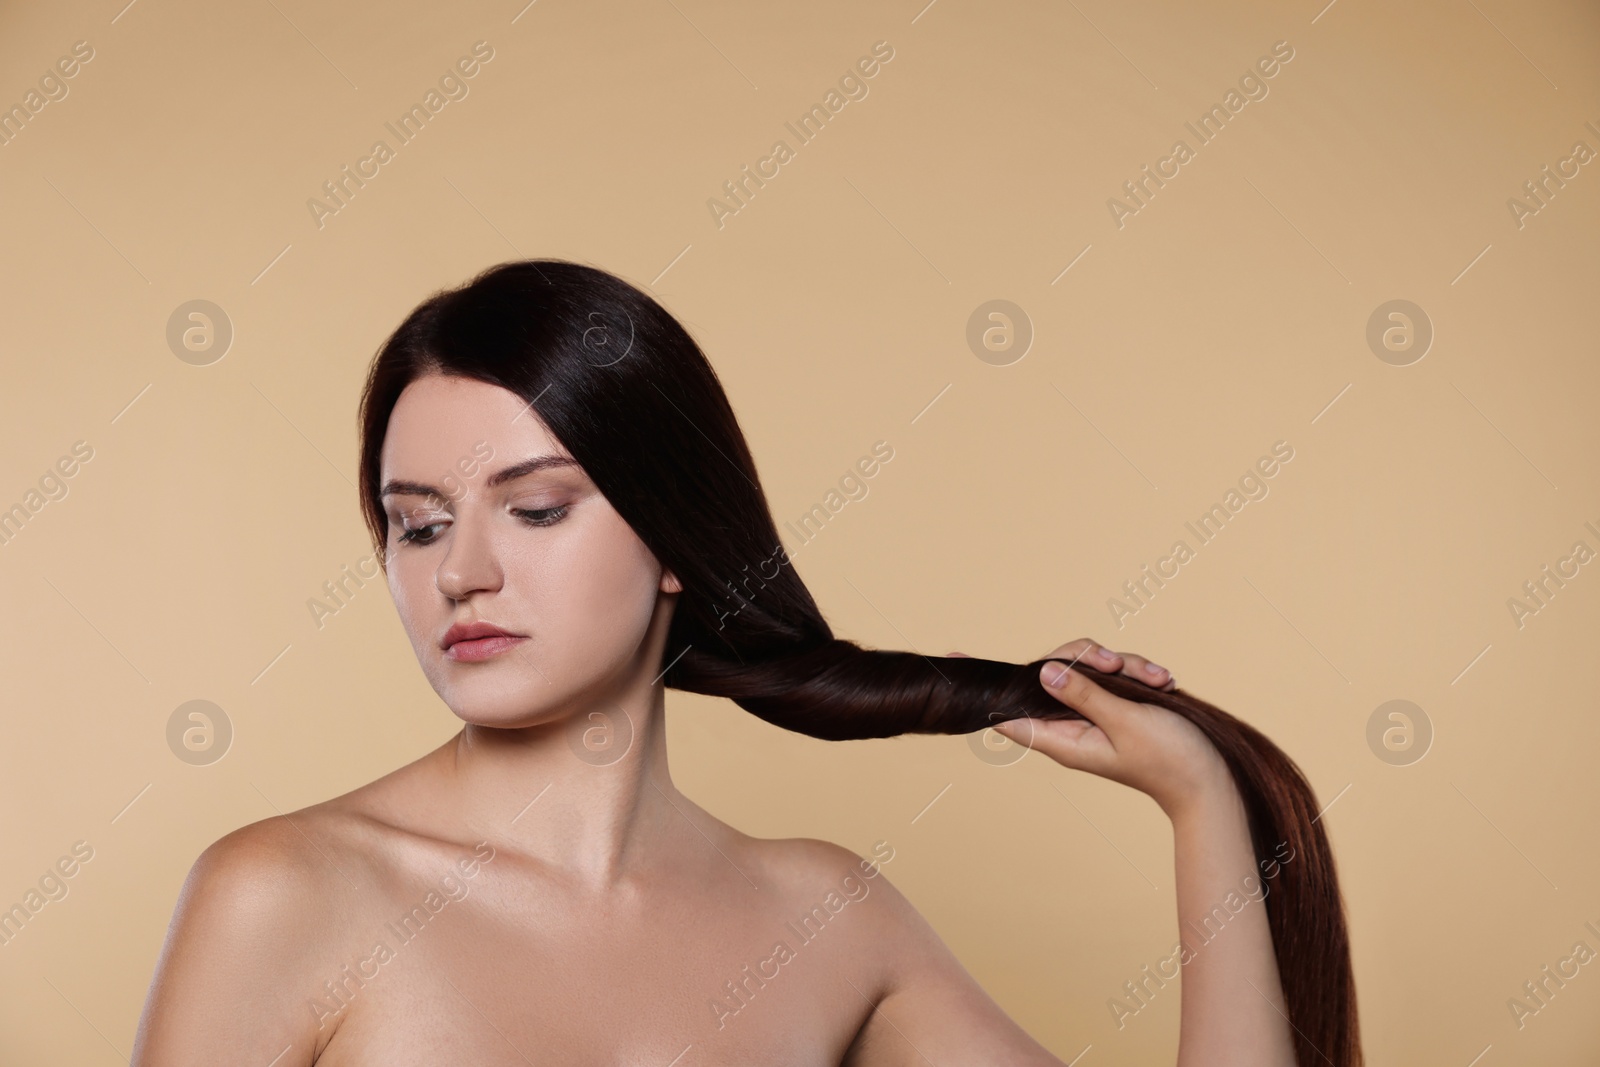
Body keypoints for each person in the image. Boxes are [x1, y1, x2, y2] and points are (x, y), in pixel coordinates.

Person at [132, 259, 1351, 1066]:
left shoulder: (824, 918)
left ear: (676, 538)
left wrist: (1199, 801)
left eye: (539, 508)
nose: (461, 572)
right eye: (418, 522)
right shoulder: (285, 894)